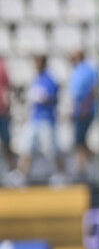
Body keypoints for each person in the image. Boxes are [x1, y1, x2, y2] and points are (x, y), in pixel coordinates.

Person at [7, 56, 66, 187]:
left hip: (47, 120)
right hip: (35, 119)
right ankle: (22, 174)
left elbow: (53, 96)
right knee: (27, 147)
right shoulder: (36, 79)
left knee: (52, 149)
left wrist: (42, 97)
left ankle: (60, 174)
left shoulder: (50, 79)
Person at [69, 51, 98, 181]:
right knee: (80, 141)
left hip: (84, 111)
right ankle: (89, 166)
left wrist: (84, 108)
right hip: (79, 110)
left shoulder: (86, 71)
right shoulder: (77, 71)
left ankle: (82, 170)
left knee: (79, 141)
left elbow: (92, 90)